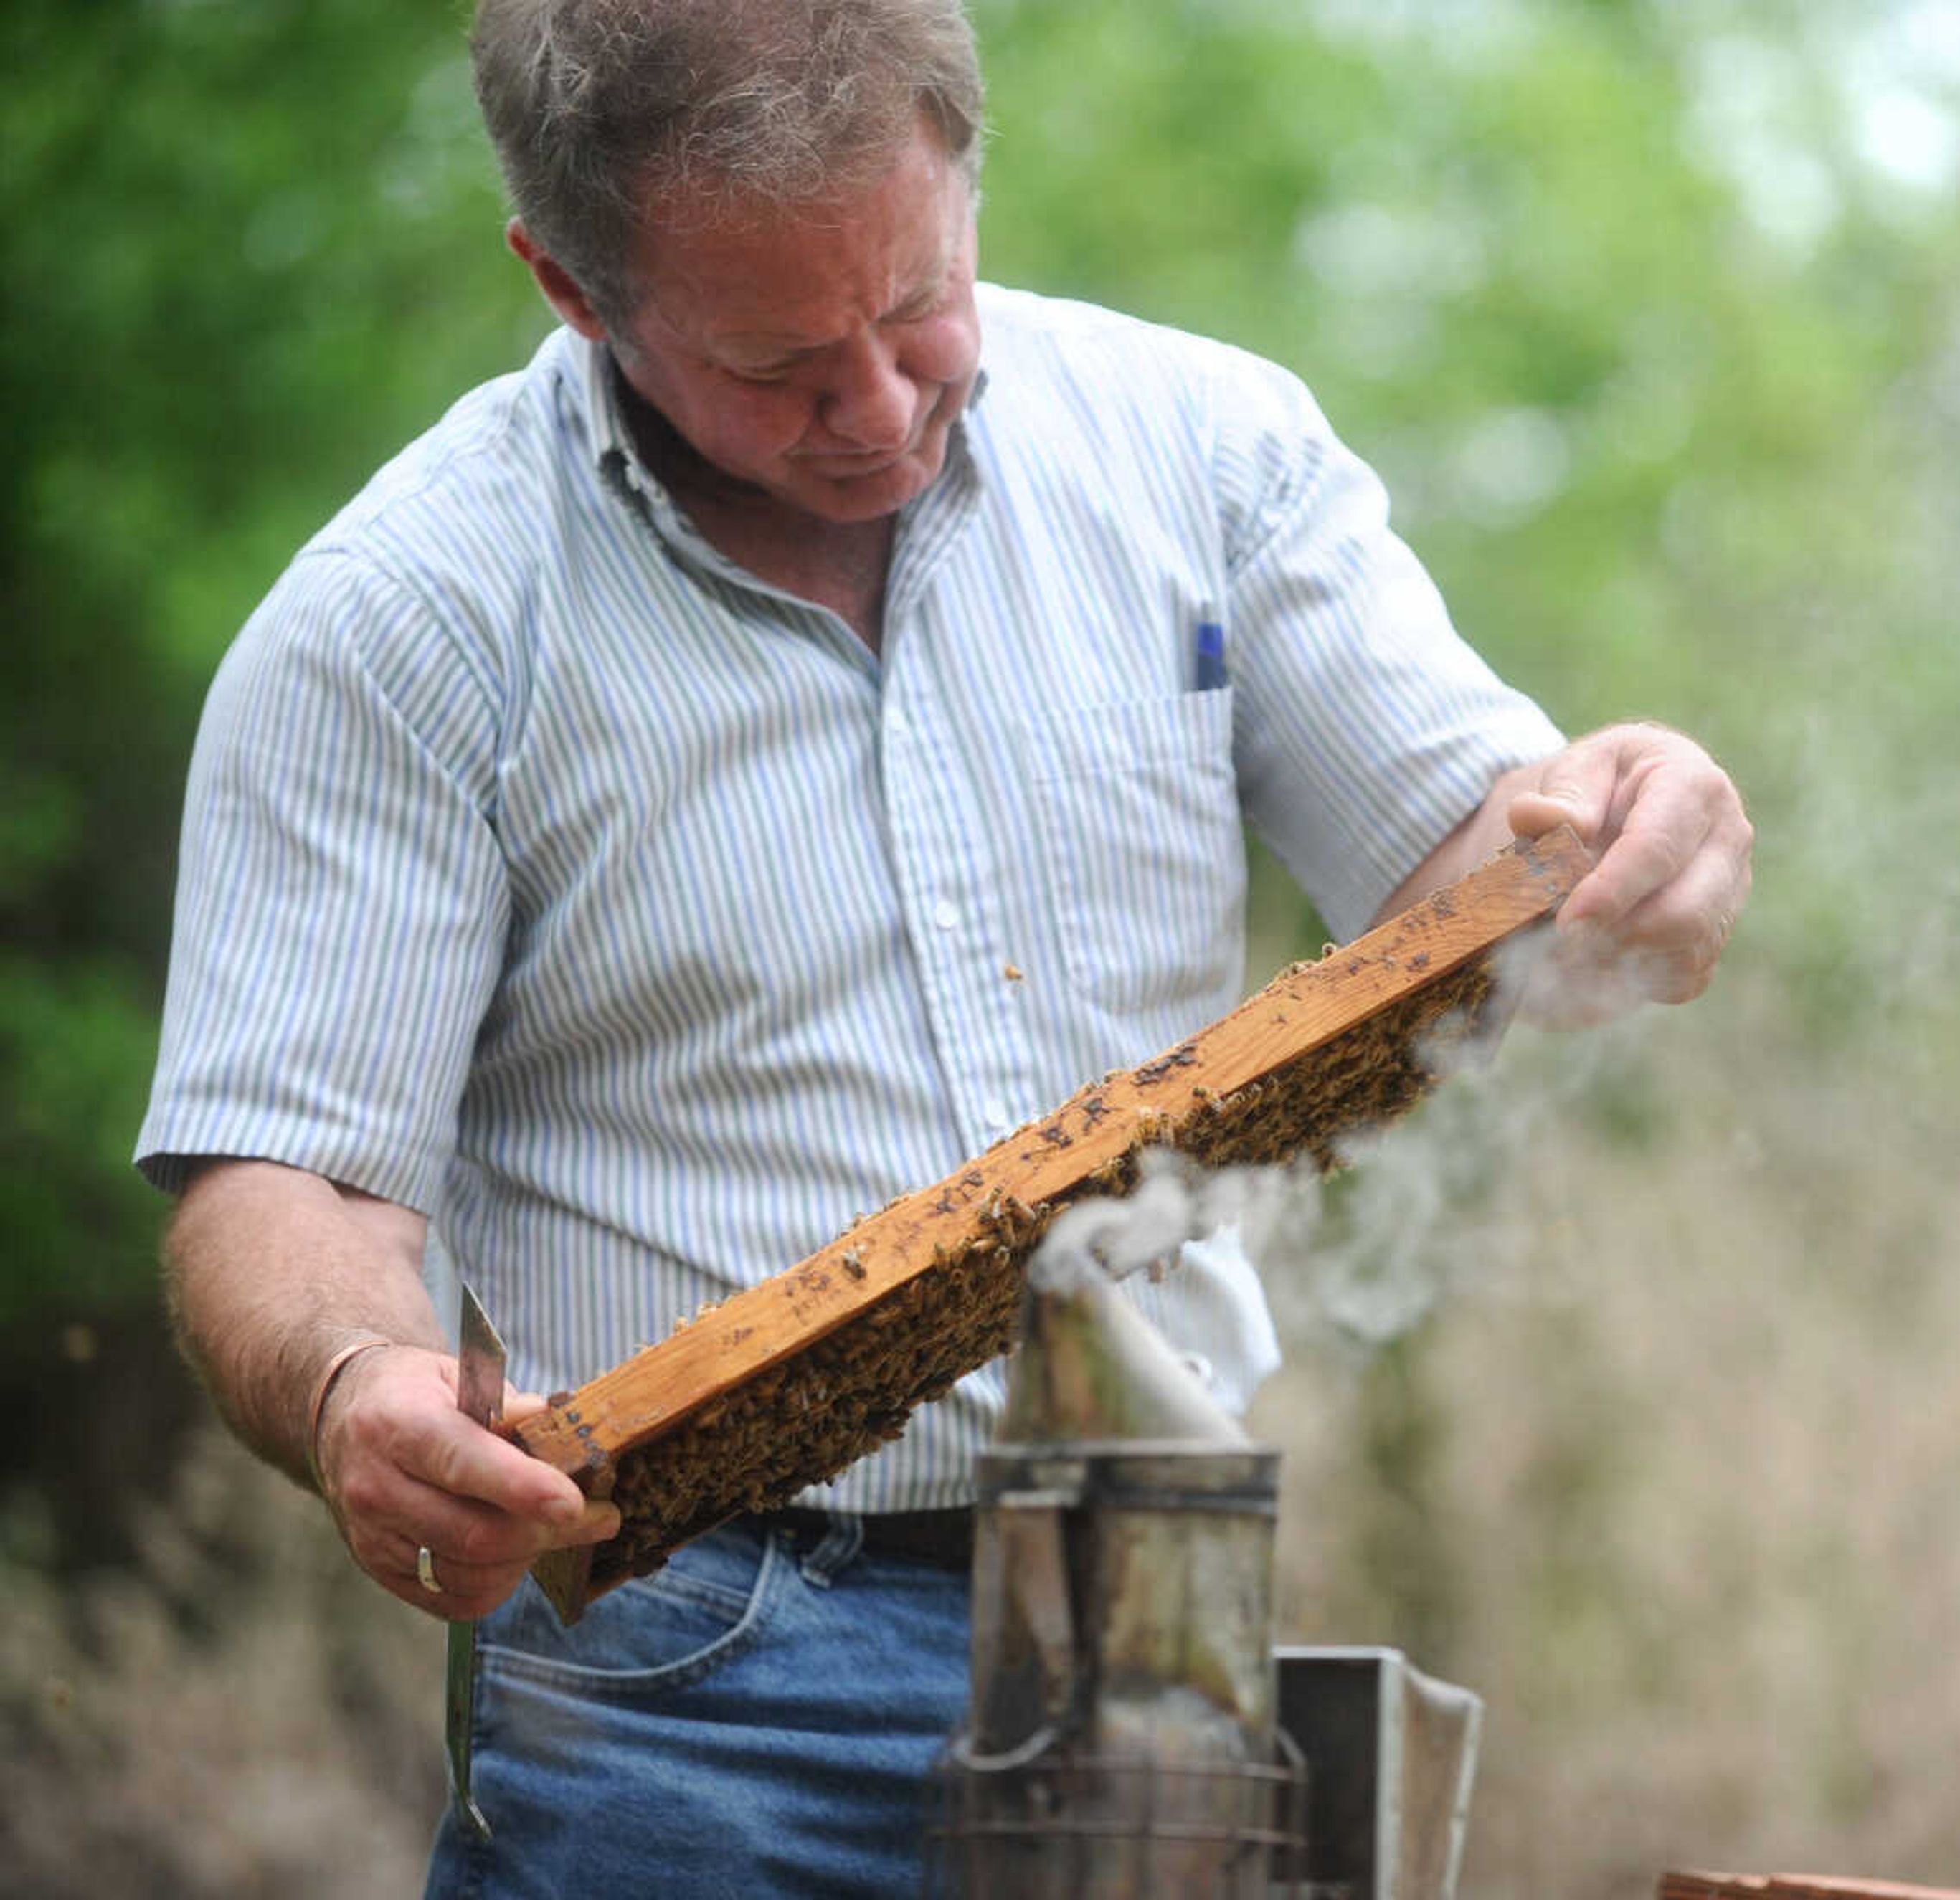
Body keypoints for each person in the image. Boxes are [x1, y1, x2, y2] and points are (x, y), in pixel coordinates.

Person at [137, 0, 1753, 1892]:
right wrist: (355, 1381)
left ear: (966, 174)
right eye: (778, 365)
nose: (885, 407)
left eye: (920, 309)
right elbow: (284, 1173)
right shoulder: (403, 621)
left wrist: (1634, 830)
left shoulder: (1208, 453)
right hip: (688, 1691)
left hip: (1161, 1612)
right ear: (572, 288)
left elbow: (1486, 866)